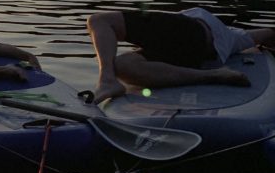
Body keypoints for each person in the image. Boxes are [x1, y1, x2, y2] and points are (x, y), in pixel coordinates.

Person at [87, 6, 275, 105]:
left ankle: (106, 80)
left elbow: (266, 34)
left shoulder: (196, 19)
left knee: (100, 20)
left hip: (192, 34)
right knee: (122, 65)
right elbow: (267, 34)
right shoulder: (235, 37)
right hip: (195, 54)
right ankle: (215, 75)